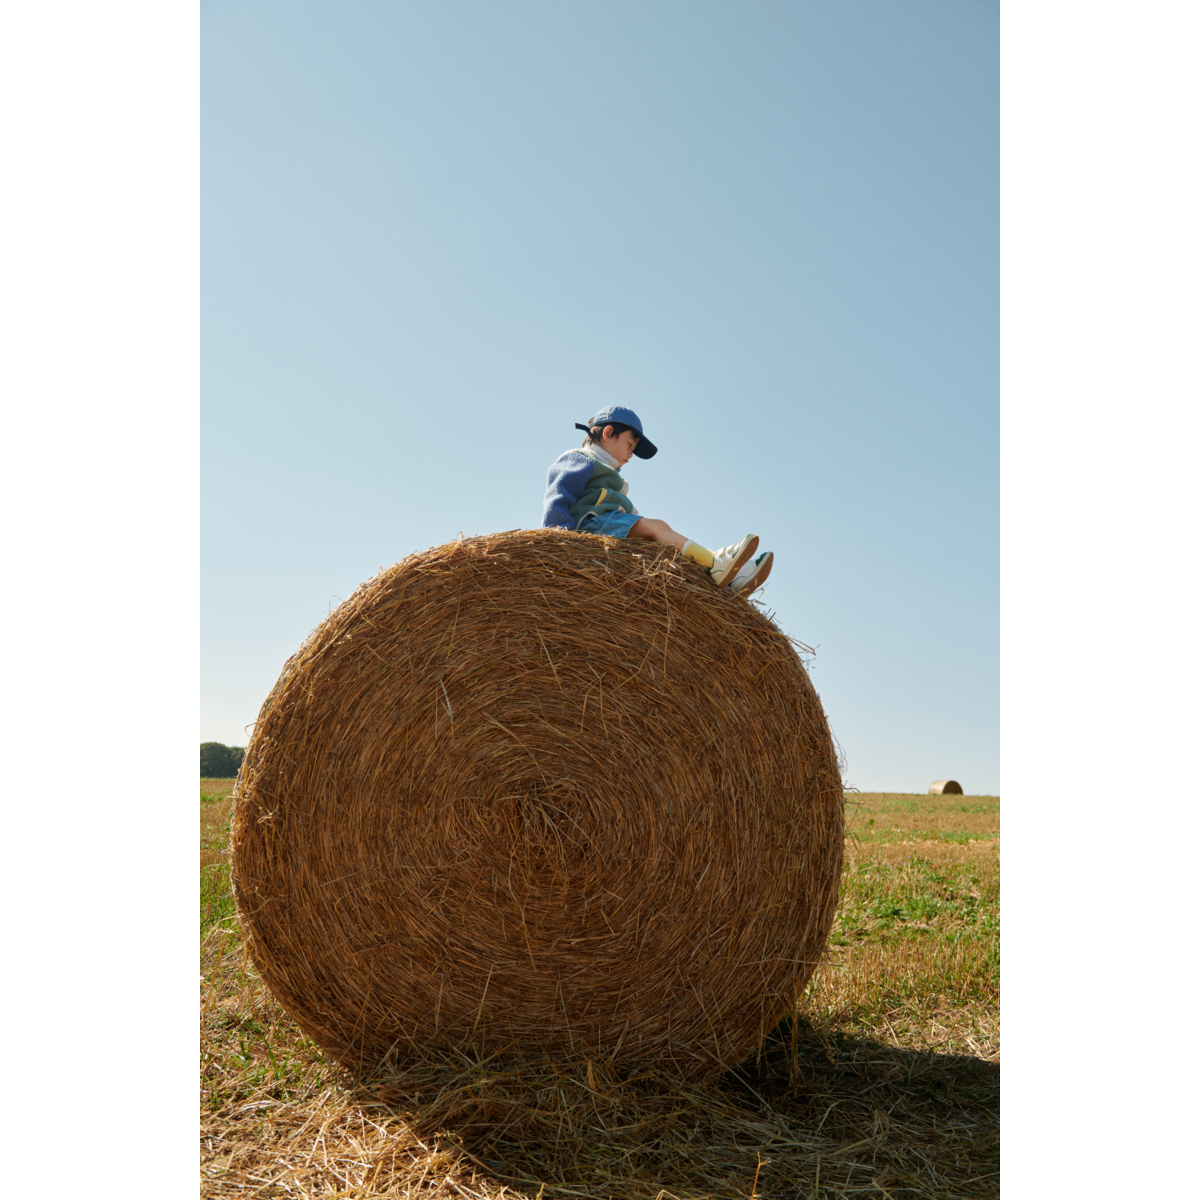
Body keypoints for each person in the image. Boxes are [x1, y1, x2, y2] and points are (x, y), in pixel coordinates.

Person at [542, 406, 774, 595]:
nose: (631, 454)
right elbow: (559, 495)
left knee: (663, 546)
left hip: (607, 528)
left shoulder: (613, 478)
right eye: (630, 445)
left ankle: (728, 578)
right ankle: (716, 561)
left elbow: (630, 514)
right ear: (608, 433)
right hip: (588, 530)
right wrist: (559, 540)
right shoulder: (581, 459)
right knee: (658, 528)